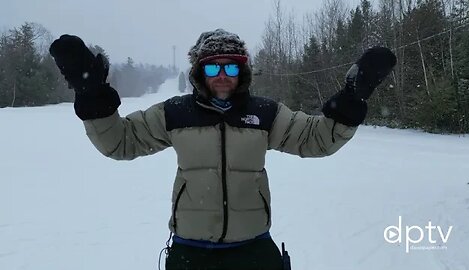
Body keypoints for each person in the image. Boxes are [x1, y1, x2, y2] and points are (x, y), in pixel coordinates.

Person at [49, 29, 396, 270]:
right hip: (191, 253)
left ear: (241, 71)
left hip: (254, 250)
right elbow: (119, 142)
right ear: (200, 72)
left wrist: (352, 100)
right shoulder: (174, 112)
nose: (222, 75)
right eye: (212, 67)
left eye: (231, 67)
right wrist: (92, 97)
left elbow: (316, 139)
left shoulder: (264, 113)